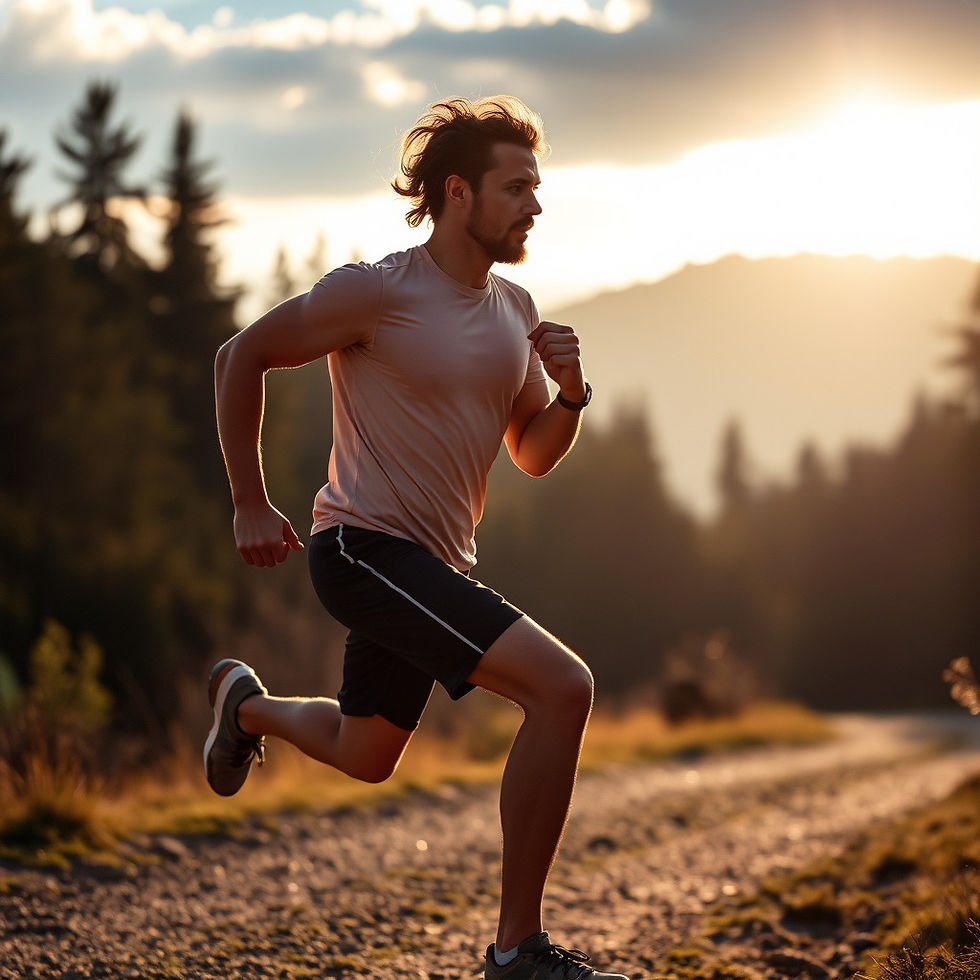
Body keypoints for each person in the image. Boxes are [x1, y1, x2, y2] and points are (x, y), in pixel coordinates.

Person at [206, 95, 629, 980]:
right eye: (516, 187)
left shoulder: (515, 310)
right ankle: (519, 952)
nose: (536, 206)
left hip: (429, 564)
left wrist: (571, 394)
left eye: (537, 188)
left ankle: (244, 707)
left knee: (367, 753)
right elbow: (238, 355)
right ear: (456, 194)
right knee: (562, 689)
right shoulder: (378, 291)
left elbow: (533, 455)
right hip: (362, 548)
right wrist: (250, 500)